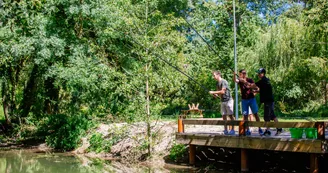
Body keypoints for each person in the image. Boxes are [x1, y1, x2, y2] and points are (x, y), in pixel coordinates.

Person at [239, 68, 282, 136]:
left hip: (268, 101)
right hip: (269, 101)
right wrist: (256, 91)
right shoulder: (266, 80)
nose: (258, 74)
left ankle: (270, 130)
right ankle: (277, 129)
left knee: (267, 117)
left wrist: (244, 81)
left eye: (259, 73)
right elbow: (263, 90)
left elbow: (251, 85)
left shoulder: (262, 81)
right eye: (258, 73)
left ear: (263, 73)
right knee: (272, 115)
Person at [234, 69, 263, 135]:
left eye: (244, 73)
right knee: (245, 115)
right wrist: (234, 74)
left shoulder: (249, 80)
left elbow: (256, 88)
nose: (243, 74)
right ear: (240, 74)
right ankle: (247, 130)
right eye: (242, 73)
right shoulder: (240, 81)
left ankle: (260, 128)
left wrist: (253, 93)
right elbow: (235, 80)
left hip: (251, 99)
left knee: (255, 114)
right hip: (244, 100)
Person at [209, 70, 235, 135]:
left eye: (214, 75)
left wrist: (213, 92)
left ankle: (232, 130)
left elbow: (223, 91)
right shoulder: (217, 83)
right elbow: (219, 93)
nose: (213, 77)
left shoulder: (224, 81)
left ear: (218, 75)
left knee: (230, 115)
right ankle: (225, 130)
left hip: (228, 100)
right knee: (223, 116)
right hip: (222, 101)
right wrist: (215, 95)